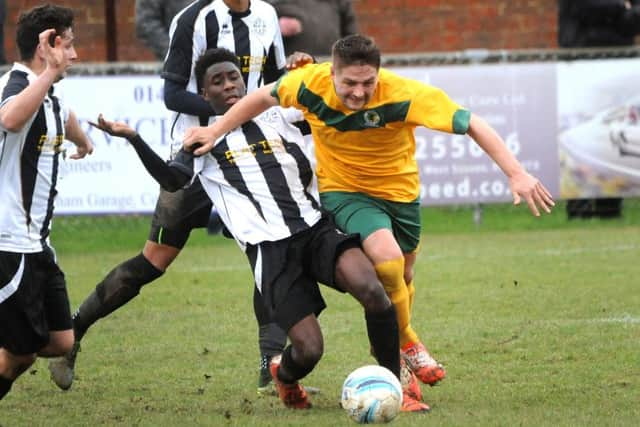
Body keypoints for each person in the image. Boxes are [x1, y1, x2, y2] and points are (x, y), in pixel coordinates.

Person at [183, 34, 556, 410]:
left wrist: (516, 173)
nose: (359, 93)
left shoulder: (404, 94)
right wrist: (215, 131)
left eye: (367, 83)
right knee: (386, 260)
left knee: (403, 277)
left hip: (401, 195)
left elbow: (471, 123)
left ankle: (401, 339)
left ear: (379, 75)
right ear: (332, 73)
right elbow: (260, 97)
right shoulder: (309, 83)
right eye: (349, 83)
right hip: (344, 192)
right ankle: (405, 356)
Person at [88, 47, 402, 411]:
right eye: (216, 82)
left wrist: (311, 68)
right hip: (270, 252)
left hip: (315, 230)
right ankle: (284, 377)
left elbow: (327, 102)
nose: (228, 85)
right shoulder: (198, 139)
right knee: (309, 349)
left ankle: (395, 385)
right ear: (204, 94)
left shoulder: (279, 113)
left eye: (233, 76)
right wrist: (133, 138)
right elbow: (173, 181)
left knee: (373, 290)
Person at [48, 0, 298, 396]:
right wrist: (227, 112)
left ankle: (272, 369)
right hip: (195, 158)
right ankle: (73, 332)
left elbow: (275, 82)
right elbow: (172, 94)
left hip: (252, 155)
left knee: (269, 252)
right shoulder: (192, 18)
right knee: (154, 260)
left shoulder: (266, 15)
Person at [0, 4, 93, 401]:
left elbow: (63, 113)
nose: (74, 55)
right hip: (9, 243)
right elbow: (10, 119)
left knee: (59, 341)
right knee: (18, 354)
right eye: (68, 45)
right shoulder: (16, 86)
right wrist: (52, 73)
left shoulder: (49, 94)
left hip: (39, 245)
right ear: (48, 46)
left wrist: (83, 140)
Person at [558, 0, 640, 219]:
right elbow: (580, 8)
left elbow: (635, 18)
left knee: (613, 134)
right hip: (580, 65)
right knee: (578, 131)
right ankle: (578, 208)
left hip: (619, 68)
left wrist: (624, 13)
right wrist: (620, 8)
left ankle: (610, 208)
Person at [265, 0, 358, 57]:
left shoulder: (340, 2)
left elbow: (351, 36)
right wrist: (275, 27)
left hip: (328, 65)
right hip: (292, 68)